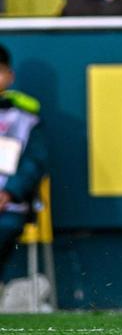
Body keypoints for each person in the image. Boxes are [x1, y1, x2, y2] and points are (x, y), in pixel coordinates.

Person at [0, 44, 47, 281]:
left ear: (10, 75)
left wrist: (9, 193)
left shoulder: (25, 117)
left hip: (8, 206)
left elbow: (34, 161)